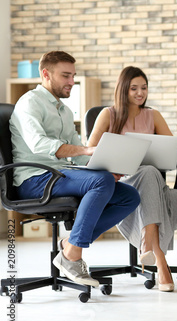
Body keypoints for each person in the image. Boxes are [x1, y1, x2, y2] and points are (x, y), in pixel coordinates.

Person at [9, 51, 141, 287]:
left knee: (128, 196)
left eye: (73, 76)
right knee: (100, 181)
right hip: (35, 179)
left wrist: (103, 166)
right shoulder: (29, 102)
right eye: (65, 76)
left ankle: (69, 245)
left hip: (61, 174)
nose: (71, 82)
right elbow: (39, 145)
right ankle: (73, 255)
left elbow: (80, 158)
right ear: (46, 74)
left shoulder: (65, 111)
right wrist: (87, 152)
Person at [87, 66, 177, 292]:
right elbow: (90, 150)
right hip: (120, 180)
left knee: (149, 172)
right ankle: (159, 259)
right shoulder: (107, 115)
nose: (140, 93)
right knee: (149, 176)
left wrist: (157, 147)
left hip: (148, 177)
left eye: (144, 88)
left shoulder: (153, 115)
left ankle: (147, 243)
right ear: (123, 89)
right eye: (134, 88)